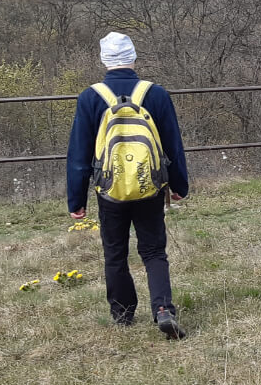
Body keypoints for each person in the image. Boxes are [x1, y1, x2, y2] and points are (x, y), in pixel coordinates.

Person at [66, 32, 189, 339]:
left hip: (109, 191)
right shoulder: (155, 93)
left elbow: (79, 155)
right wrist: (179, 185)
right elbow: (173, 145)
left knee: (115, 252)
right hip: (149, 187)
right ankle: (163, 309)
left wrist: (76, 199)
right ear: (134, 58)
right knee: (153, 251)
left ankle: (122, 313)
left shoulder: (90, 96)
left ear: (103, 60)